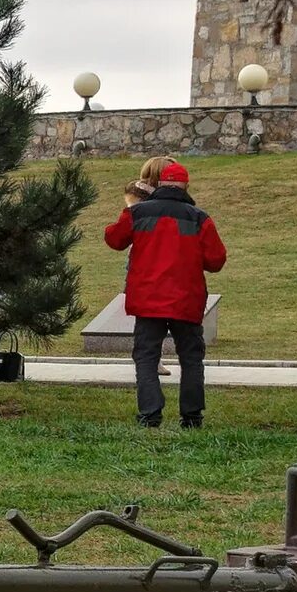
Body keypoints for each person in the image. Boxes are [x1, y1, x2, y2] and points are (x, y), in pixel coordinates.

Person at [103, 156, 226, 428]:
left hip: (148, 300)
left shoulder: (138, 213)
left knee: (146, 357)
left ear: (159, 184)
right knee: (191, 358)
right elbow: (216, 261)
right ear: (185, 186)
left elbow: (114, 239)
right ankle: (192, 417)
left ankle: (150, 414)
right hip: (187, 299)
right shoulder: (200, 218)